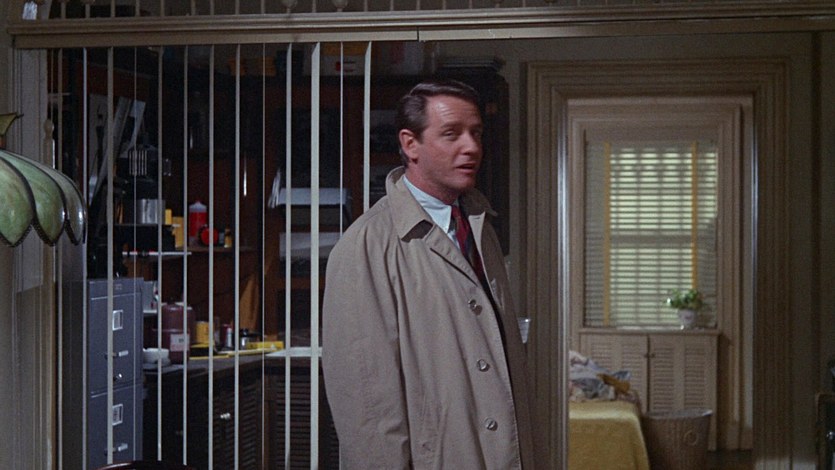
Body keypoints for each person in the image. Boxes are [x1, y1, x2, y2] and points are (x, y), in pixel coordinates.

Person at [322, 79, 535, 469]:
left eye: (476, 133)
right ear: (410, 144)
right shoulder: (366, 248)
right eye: (451, 134)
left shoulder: (479, 226)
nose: (471, 147)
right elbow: (369, 415)